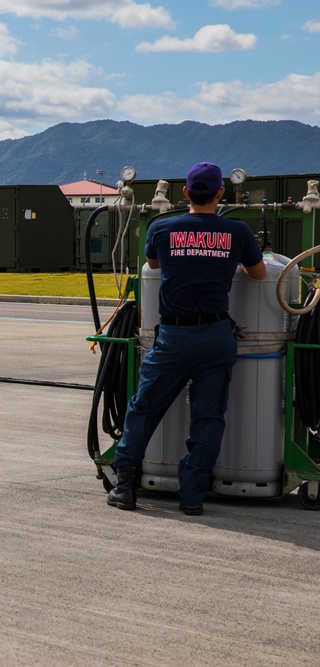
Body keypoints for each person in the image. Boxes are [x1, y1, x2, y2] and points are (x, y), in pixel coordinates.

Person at [107, 162, 266, 515]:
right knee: (208, 418)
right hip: (216, 336)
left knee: (145, 409)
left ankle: (125, 487)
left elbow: (153, 264)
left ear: (185, 193)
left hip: (175, 337)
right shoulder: (236, 233)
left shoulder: (161, 228)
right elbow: (258, 274)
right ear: (221, 193)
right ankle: (192, 497)